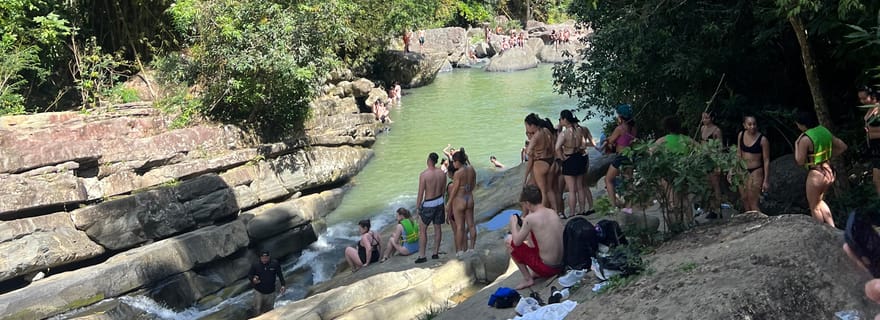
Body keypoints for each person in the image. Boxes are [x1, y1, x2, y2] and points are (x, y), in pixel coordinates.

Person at [794, 111, 847, 227]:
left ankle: (820, 233)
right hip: (829, 171)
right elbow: (842, 146)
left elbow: (800, 161)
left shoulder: (805, 139)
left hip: (816, 174)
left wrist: (796, 145)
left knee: (814, 206)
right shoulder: (823, 130)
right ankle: (832, 228)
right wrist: (827, 156)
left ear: (802, 124)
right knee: (819, 201)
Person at [506, 185, 564, 289]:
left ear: (527, 203)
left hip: (548, 268)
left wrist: (513, 225)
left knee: (508, 241)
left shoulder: (531, 218)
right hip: (561, 263)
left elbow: (516, 242)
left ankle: (528, 279)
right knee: (532, 234)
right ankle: (536, 272)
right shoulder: (552, 211)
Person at [415, 152, 447, 263]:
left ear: (429, 160)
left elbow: (420, 193)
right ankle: (435, 253)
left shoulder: (424, 175)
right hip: (439, 201)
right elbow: (443, 190)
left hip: (429, 203)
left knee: (423, 229)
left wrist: (418, 207)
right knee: (437, 227)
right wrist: (441, 201)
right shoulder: (442, 173)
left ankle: (422, 255)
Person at [524, 113, 559, 213]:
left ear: (531, 125)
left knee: (543, 191)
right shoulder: (546, 130)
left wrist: (536, 154)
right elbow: (552, 146)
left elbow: (528, 152)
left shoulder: (536, 136)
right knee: (549, 190)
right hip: (550, 160)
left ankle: (542, 213)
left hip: (540, 163)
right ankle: (556, 211)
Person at [604, 104, 637, 209]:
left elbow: (611, 140)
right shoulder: (633, 128)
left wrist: (608, 140)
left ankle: (613, 206)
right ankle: (629, 207)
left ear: (621, 117)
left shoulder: (620, 128)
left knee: (608, 179)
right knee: (629, 181)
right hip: (630, 155)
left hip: (621, 156)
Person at [556, 110, 588, 217]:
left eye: (561, 119)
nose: (560, 121)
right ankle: (582, 210)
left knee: (572, 190)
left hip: (569, 158)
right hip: (579, 156)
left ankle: (573, 212)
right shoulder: (579, 130)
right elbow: (583, 145)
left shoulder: (564, 133)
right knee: (580, 187)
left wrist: (562, 157)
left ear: (565, 119)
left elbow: (557, 147)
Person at [736, 115, 769, 213]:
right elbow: (738, 153)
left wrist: (766, 180)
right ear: (744, 125)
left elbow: (766, 160)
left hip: (756, 170)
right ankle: (749, 223)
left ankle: (760, 224)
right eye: (749, 124)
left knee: (753, 202)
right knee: (744, 199)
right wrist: (733, 169)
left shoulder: (763, 140)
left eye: (754, 124)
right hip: (742, 169)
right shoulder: (741, 135)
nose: (752, 126)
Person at [448, 150, 477, 254]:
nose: (453, 164)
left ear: (457, 161)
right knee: (471, 224)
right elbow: (474, 183)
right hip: (469, 198)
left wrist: (449, 204)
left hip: (459, 200)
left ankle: (460, 251)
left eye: (454, 162)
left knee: (460, 227)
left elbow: (454, 190)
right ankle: (472, 248)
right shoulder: (471, 169)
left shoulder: (458, 173)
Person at [700, 111, 724, 218]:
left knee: (715, 185)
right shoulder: (702, 128)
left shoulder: (716, 130)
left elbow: (720, 148)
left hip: (713, 159)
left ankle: (718, 209)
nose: (705, 120)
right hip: (704, 159)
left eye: (707, 118)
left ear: (712, 118)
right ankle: (710, 208)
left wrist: (719, 164)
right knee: (707, 185)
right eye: (703, 118)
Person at [248, 251, 286, 316]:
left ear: (269, 257)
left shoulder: (274, 263)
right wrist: (253, 279)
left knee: (269, 311)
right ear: (260, 258)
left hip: (271, 292)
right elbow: (250, 275)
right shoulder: (255, 264)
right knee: (257, 309)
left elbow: (280, 274)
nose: (264, 259)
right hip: (259, 291)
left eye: (266, 258)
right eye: (263, 258)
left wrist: (283, 285)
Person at [859, 85, 880, 196]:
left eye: (864, 98)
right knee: (876, 181)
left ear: (872, 96)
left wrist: (871, 132)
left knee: (877, 181)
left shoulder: (878, 109)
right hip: (874, 150)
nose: (862, 101)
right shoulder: (870, 109)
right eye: (860, 99)